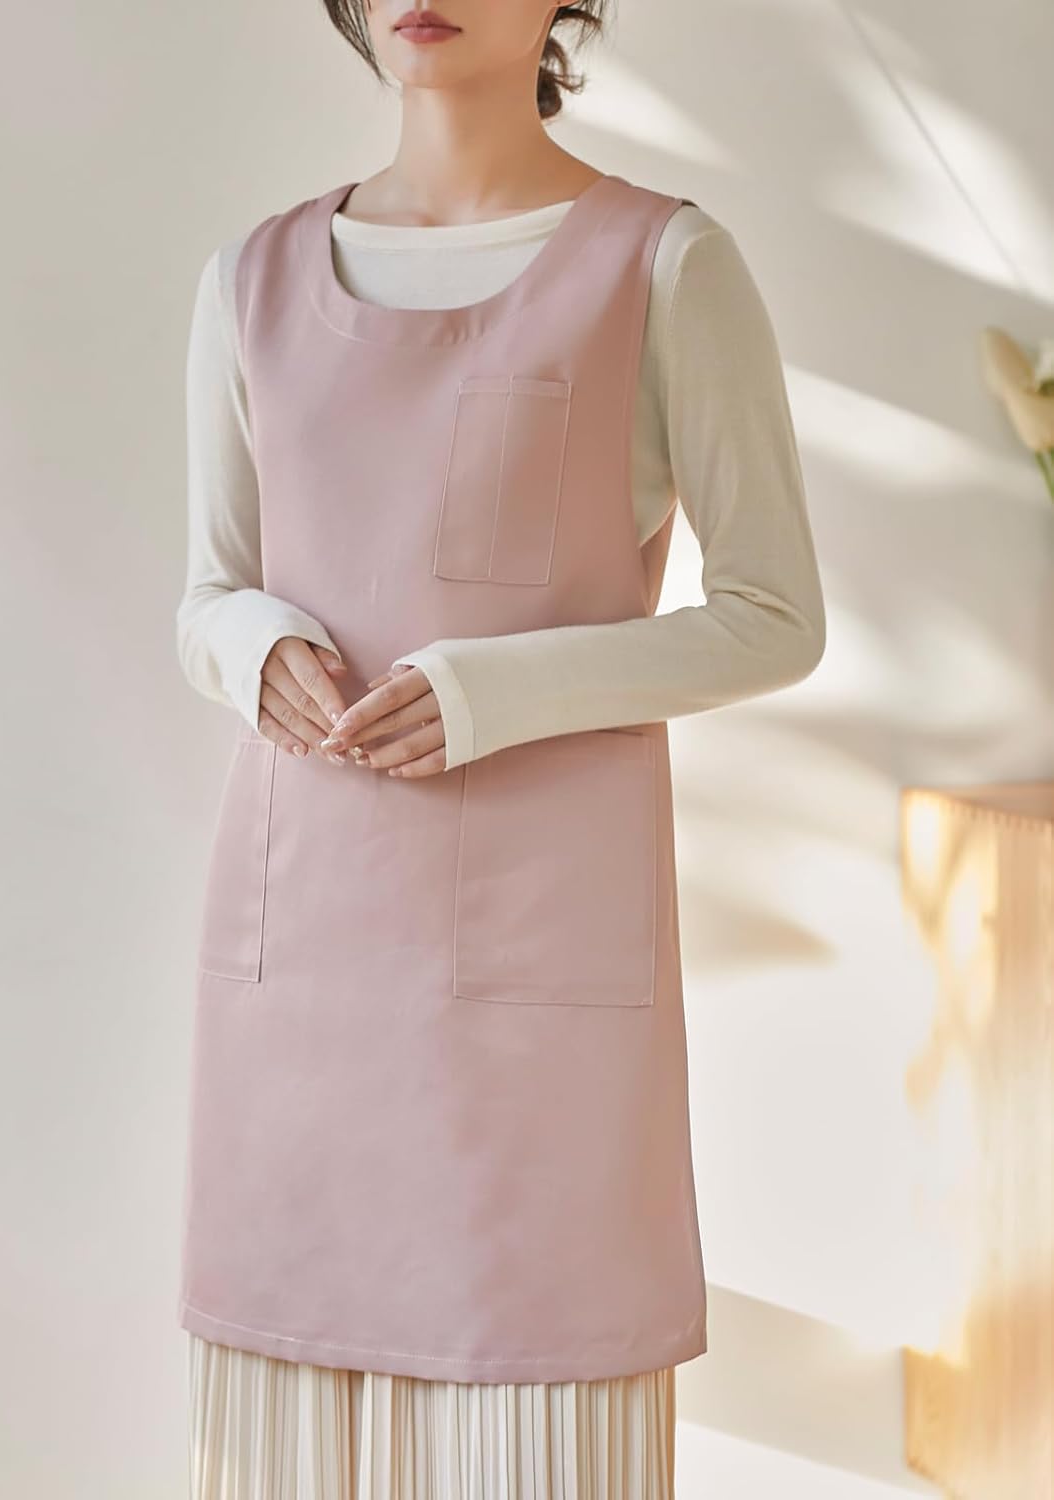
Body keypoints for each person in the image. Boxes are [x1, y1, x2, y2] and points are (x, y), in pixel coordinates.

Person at [174, 3, 826, 1496]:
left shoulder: (664, 266)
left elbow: (774, 617)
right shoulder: (251, 279)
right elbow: (205, 592)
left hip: (542, 975)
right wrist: (254, 643)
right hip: (299, 959)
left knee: (544, 1424)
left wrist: (493, 688)